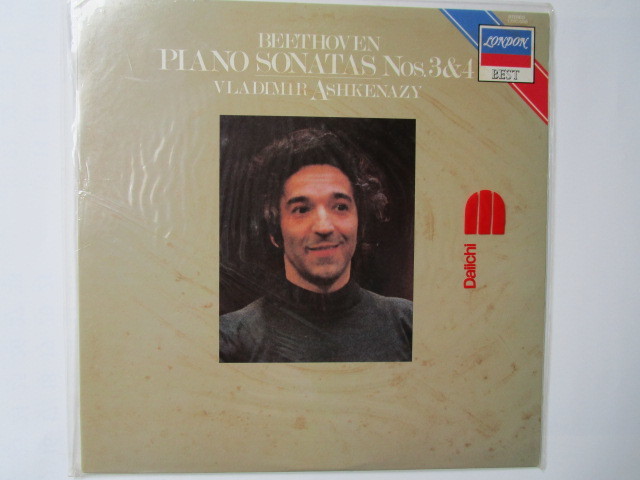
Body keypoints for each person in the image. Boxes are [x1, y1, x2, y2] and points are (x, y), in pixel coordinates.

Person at [219, 128, 412, 362]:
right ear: (274, 231)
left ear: (359, 223)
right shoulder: (229, 339)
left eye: (340, 206)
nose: (324, 227)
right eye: (301, 210)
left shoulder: (408, 323)